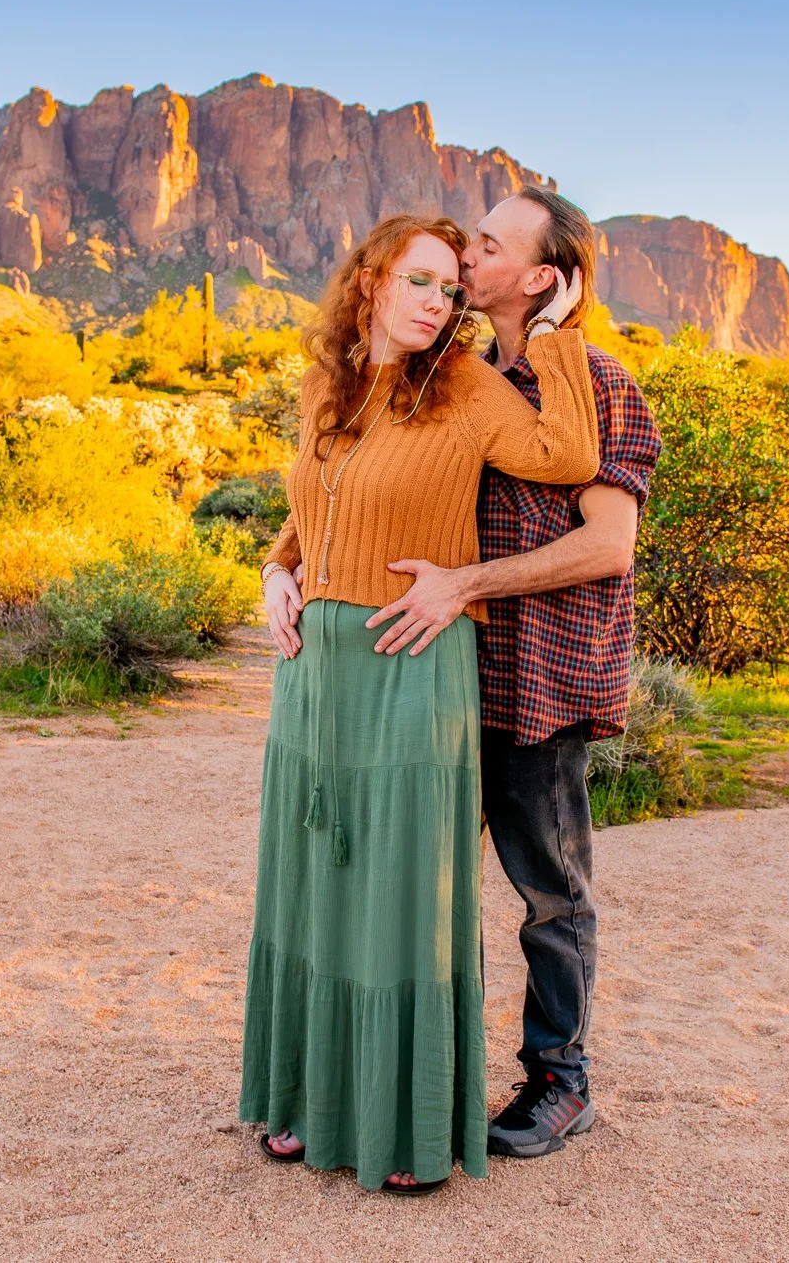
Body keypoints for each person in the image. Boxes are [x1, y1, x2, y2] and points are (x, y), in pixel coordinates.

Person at [238, 213, 598, 1194]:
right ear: (370, 281)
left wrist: (559, 328)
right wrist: (276, 569)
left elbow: (565, 455)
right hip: (315, 672)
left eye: (450, 286)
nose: (439, 302)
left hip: (412, 661)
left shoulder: (468, 387)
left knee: (400, 894)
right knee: (316, 883)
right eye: (421, 281)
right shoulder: (329, 384)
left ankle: (402, 1123)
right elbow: (318, 499)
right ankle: (309, 1100)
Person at [364, 187, 663, 1160]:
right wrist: (284, 566)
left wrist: (469, 583)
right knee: (422, 889)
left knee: (547, 894)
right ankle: (419, 1076)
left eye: (488, 245)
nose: (468, 254)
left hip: (539, 681)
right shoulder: (449, 378)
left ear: (539, 277)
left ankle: (558, 1084)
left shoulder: (601, 383)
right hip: (439, 675)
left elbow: (606, 547)